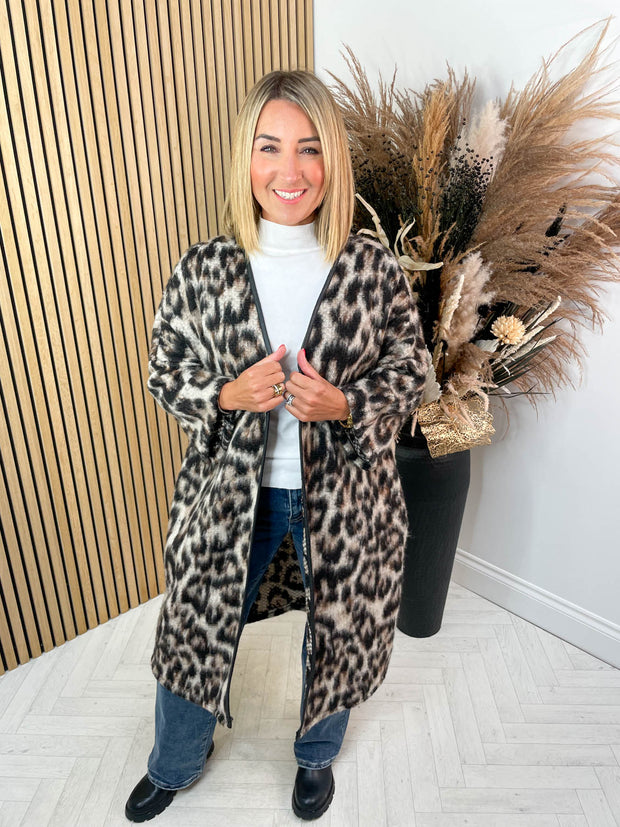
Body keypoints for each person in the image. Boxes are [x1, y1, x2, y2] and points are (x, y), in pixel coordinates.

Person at [125, 69, 428, 823]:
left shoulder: (369, 266)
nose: (289, 170)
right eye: (270, 147)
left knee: (340, 630)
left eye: (309, 147)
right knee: (193, 623)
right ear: (246, 157)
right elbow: (165, 369)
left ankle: (316, 758)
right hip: (233, 495)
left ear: (331, 160)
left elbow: (411, 368)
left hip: (347, 498)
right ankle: (174, 762)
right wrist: (226, 395)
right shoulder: (206, 267)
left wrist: (346, 404)